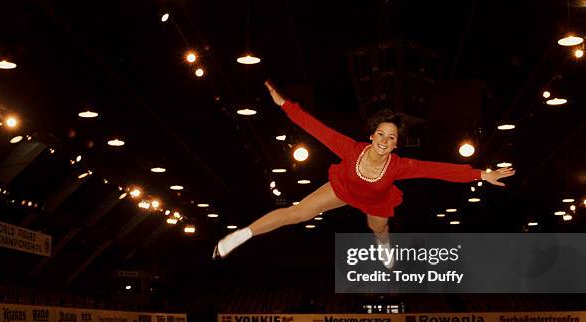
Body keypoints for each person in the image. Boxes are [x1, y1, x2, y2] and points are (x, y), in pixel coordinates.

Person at [213, 81, 516, 266]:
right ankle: (242, 235)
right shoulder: (350, 149)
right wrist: (284, 105)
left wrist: (481, 175)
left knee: (379, 230)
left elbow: (439, 170)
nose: (386, 142)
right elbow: (315, 128)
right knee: (298, 212)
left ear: (397, 144)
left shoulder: (399, 165)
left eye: (392, 138)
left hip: (375, 200)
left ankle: (384, 248)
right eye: (382, 135)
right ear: (372, 135)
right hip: (343, 188)